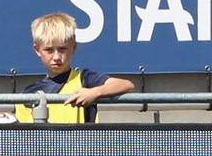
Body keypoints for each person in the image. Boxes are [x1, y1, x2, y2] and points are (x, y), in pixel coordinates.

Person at [8, 9, 136, 124]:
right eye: (49, 50)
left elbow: (126, 84)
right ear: (37, 50)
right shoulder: (29, 93)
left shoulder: (84, 79)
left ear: (74, 48)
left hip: (83, 149)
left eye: (62, 49)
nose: (57, 57)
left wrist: (95, 92)